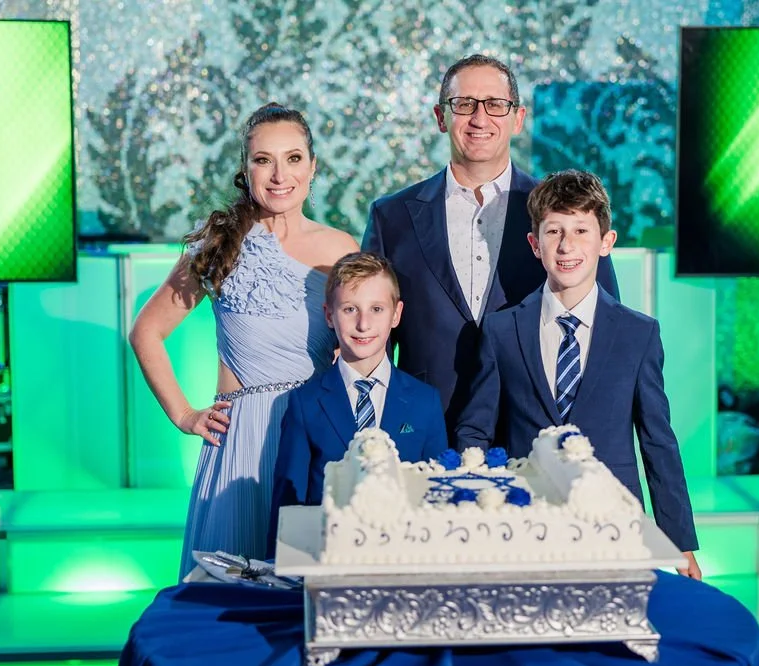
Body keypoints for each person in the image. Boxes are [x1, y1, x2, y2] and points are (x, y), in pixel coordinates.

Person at [129, 103, 359, 579]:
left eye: (293, 158)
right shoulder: (220, 244)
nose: (280, 175)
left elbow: (356, 352)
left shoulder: (341, 248)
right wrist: (185, 415)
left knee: (304, 597)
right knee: (227, 602)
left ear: (313, 167)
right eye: (263, 160)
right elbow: (146, 331)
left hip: (314, 437)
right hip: (240, 440)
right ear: (245, 167)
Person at [454, 170, 701, 579]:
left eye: (581, 231)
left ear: (606, 242)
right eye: (554, 231)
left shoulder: (638, 334)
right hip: (521, 529)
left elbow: (658, 443)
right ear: (535, 244)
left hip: (616, 528)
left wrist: (678, 542)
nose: (567, 245)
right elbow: (474, 432)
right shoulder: (501, 331)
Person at [363, 54, 619, 438]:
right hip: (422, 430)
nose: (479, 118)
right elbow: (369, 332)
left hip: (536, 432)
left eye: (495, 105)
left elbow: (604, 325)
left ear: (517, 118)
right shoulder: (392, 217)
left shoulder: (563, 214)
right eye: (463, 104)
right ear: (440, 116)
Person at [265, 252, 448, 556]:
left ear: (396, 314)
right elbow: (288, 507)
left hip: (407, 559)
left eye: (377, 309)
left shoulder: (424, 401)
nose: (363, 324)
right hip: (326, 559)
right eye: (350, 309)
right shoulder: (304, 403)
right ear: (328, 315)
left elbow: (437, 496)